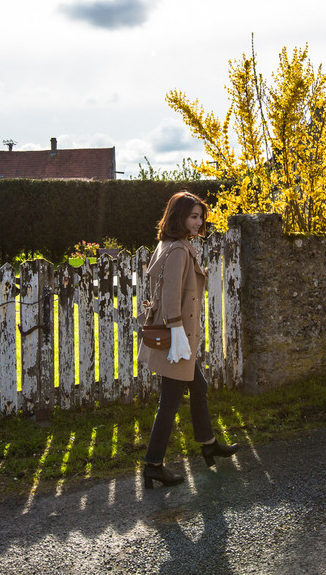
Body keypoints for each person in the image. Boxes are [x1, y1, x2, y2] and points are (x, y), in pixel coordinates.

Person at [138, 191, 240, 489]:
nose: (198, 222)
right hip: (178, 335)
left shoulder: (168, 245)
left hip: (176, 332)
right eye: (193, 216)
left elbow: (172, 285)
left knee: (198, 386)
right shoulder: (180, 250)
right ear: (178, 217)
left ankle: (208, 442)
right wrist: (177, 331)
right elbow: (170, 295)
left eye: (200, 217)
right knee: (169, 401)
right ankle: (153, 464)